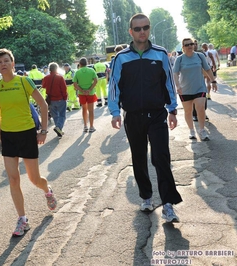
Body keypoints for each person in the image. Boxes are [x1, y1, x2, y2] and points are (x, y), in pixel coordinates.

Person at [108, 13, 182, 223]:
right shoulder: (120, 58)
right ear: (131, 32)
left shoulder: (160, 54)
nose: (142, 32)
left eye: (146, 27)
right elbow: (113, 87)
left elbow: (168, 83)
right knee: (138, 158)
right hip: (133, 116)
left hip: (157, 115)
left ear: (150, 29)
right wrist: (115, 113)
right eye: (138, 28)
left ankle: (168, 204)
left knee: (161, 158)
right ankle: (146, 197)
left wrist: (173, 110)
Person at [0, 48, 57, 237]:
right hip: (8, 137)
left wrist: (43, 131)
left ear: (13, 63)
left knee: (34, 179)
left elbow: (43, 105)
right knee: (13, 179)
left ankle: (47, 190)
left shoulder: (23, 82)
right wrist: (0, 133)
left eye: (6, 61)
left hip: (27, 134)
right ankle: (22, 219)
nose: (2, 65)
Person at [173, 38, 217, 141]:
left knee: (201, 108)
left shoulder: (199, 56)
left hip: (199, 88)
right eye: (187, 45)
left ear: (194, 45)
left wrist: (213, 81)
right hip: (185, 89)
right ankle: (191, 130)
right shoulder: (179, 59)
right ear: (183, 47)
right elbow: (175, 73)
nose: (190, 46)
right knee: (188, 111)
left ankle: (202, 131)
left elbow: (207, 69)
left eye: (191, 44)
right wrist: (178, 86)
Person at [42, 62, 68, 139]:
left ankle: (58, 130)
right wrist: (65, 97)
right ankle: (59, 127)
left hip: (51, 100)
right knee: (62, 115)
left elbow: (43, 86)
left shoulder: (46, 78)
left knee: (55, 115)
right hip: (60, 99)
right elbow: (64, 89)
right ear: (56, 69)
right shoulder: (60, 77)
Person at [73, 57, 98, 133]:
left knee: (84, 109)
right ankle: (91, 126)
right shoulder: (91, 70)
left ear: (79, 64)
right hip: (90, 93)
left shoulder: (77, 72)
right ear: (87, 63)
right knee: (91, 110)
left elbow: (75, 83)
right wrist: (90, 89)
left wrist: (81, 90)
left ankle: (85, 126)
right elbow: (96, 80)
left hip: (82, 94)